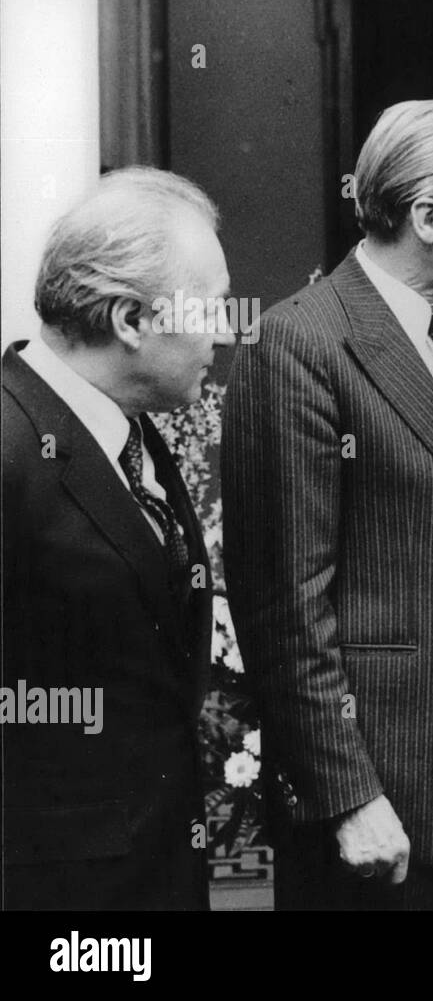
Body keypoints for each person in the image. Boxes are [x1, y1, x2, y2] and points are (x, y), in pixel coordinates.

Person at [222, 100, 433, 910]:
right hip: (377, 808)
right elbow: (284, 602)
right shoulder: (297, 343)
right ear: (428, 216)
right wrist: (346, 794)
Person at [2, 167, 234, 909]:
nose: (227, 332)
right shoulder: (8, 448)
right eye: (211, 309)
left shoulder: (128, 430)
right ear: (132, 320)